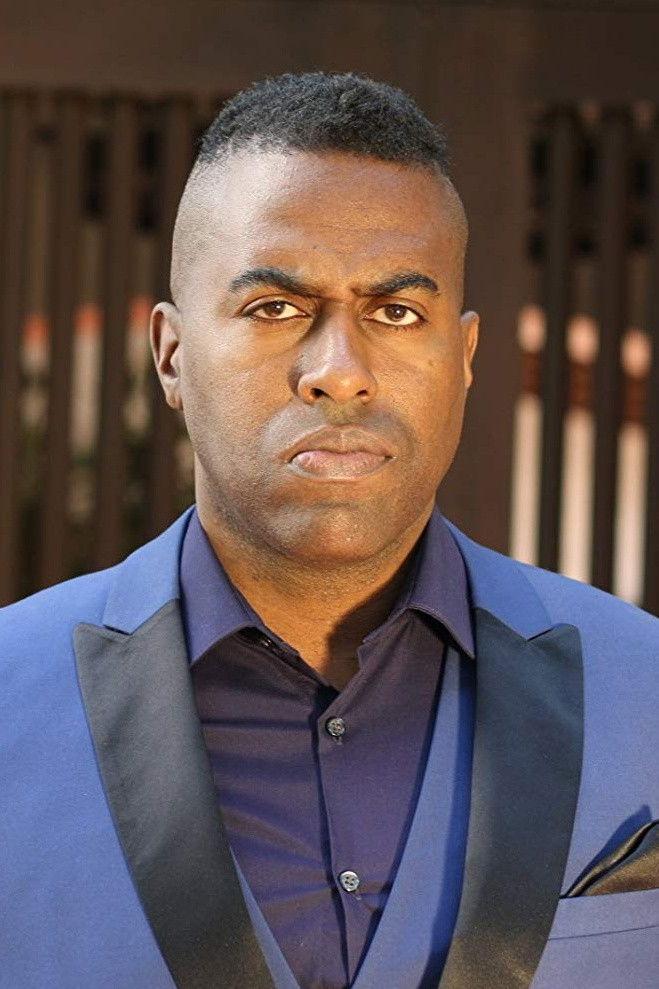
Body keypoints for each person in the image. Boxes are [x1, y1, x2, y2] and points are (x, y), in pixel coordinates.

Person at [1, 71, 657, 989]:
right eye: (274, 307)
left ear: (464, 357)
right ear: (172, 355)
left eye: (397, 311)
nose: (339, 371)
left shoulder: (646, 686)